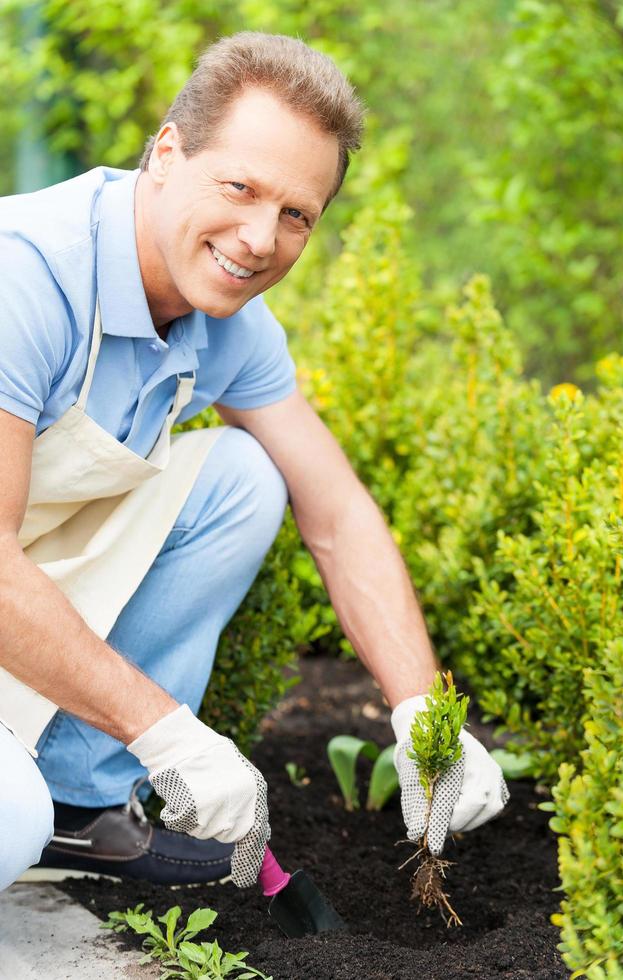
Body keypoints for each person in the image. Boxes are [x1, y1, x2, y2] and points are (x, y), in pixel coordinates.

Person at [0, 32, 508, 892]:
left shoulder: (229, 324)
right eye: (240, 187)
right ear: (166, 151)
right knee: (7, 821)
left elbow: (338, 514)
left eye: (297, 214)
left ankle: (80, 807)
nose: (259, 238)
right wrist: (167, 733)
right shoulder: (29, 277)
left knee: (242, 475)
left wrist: (426, 715)